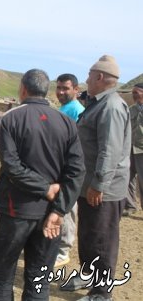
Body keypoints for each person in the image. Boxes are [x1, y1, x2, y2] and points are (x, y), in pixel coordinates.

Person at [0, 69, 85, 300]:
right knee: (38, 280)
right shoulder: (66, 122)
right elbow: (77, 171)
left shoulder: (11, 118)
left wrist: (48, 193)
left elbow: (12, 167)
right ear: (47, 90)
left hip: (14, 212)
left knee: (2, 276)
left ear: (23, 88)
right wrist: (59, 209)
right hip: (50, 215)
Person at [62, 55, 130, 301]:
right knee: (88, 235)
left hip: (104, 189)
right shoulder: (97, 103)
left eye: (89, 76)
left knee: (102, 239)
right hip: (89, 184)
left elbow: (109, 151)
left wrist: (98, 184)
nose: (87, 80)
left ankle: (102, 292)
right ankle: (88, 274)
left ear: (100, 77)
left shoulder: (111, 106)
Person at [54, 73, 85, 268]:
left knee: (68, 207)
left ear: (76, 90)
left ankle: (64, 250)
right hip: (58, 166)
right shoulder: (64, 108)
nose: (61, 92)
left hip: (68, 168)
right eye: (58, 88)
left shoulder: (76, 110)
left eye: (65, 88)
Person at [123, 83, 143, 216]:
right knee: (127, 178)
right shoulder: (131, 109)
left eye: (136, 92)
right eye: (133, 93)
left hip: (142, 150)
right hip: (130, 148)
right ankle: (130, 206)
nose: (134, 95)